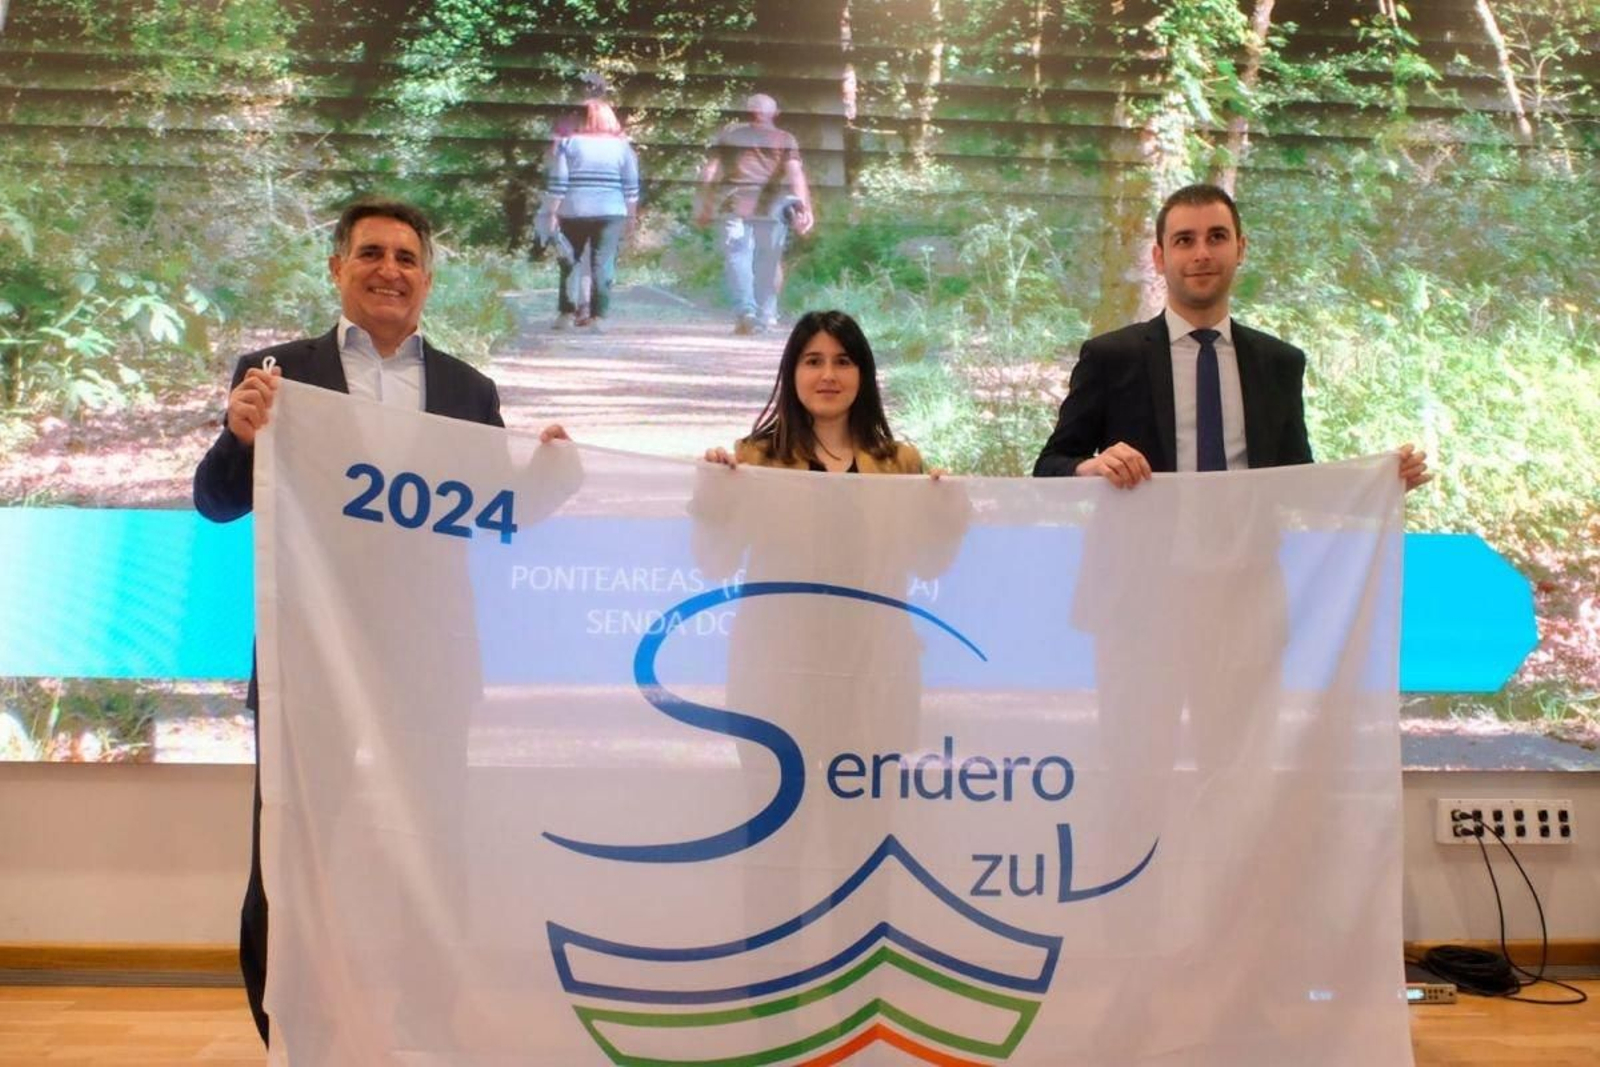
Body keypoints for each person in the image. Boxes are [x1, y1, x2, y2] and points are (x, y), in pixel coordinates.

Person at [192, 196, 566, 1047]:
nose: (388, 269)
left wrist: (548, 481)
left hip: (429, 662)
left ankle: (428, 1026)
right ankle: (290, 1025)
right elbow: (216, 503)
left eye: (405, 256)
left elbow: (492, 512)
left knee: (432, 849)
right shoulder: (276, 372)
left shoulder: (471, 391)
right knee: (291, 853)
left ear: (427, 279)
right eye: (370, 253)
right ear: (337, 267)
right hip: (307, 660)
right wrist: (238, 437)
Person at [1033, 182, 1431, 489]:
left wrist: (1379, 484)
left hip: (1251, 578)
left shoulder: (1280, 363)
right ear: (1160, 258)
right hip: (1142, 575)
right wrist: (1091, 467)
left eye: (1217, 237)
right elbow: (1049, 467)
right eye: (1184, 240)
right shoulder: (1110, 357)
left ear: (1240, 248)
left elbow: (1297, 486)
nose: (1202, 253)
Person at [703, 310, 926, 474]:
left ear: (863, 375)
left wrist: (946, 501)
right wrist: (713, 485)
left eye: (843, 362)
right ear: (792, 373)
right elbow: (717, 531)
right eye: (813, 362)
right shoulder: (754, 459)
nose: (828, 375)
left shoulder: (901, 464)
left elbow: (928, 535)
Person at [695, 93, 815, 335]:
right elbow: (795, 175)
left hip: (735, 205)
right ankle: (768, 315)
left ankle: (746, 313)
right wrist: (805, 208)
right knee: (769, 260)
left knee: (738, 258)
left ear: (747, 113)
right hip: (773, 209)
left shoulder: (728, 137)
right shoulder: (785, 139)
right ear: (776, 114)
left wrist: (704, 205)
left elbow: (709, 174)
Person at [542, 99, 639, 334]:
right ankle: (599, 317)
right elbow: (631, 185)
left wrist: (552, 211)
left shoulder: (569, 144)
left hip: (574, 209)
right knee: (603, 264)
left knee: (569, 262)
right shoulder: (622, 147)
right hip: (611, 211)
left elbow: (559, 181)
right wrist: (631, 217)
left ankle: (565, 314)